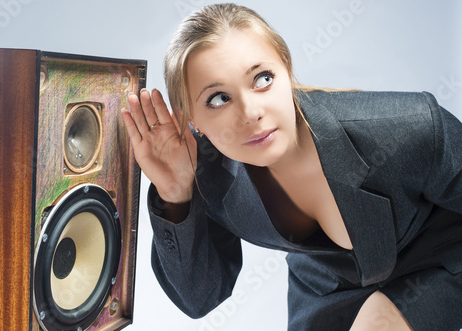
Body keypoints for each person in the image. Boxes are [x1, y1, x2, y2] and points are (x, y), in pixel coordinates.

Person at [121, 3, 462, 330]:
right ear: (191, 121)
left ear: (287, 70)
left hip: (442, 258)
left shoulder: (408, 126)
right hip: (326, 289)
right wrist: (175, 194)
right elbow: (200, 299)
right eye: (219, 99)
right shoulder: (209, 178)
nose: (251, 113)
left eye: (262, 78)